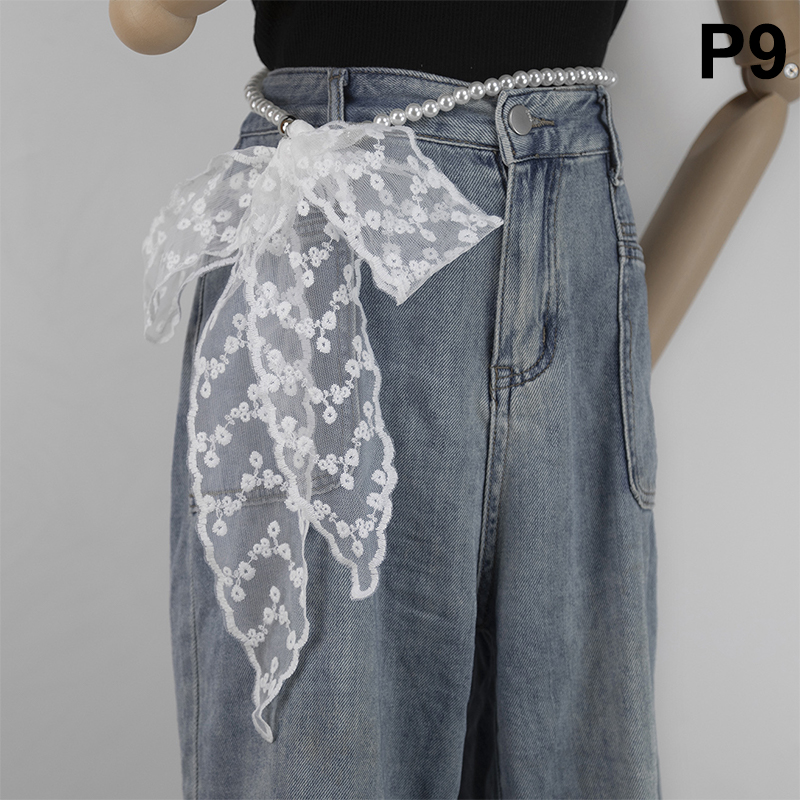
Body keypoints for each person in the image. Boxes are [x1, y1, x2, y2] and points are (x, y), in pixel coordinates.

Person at [110, 2, 799, 798]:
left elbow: (777, 66)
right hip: (337, 251)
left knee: (575, 762)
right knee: (322, 752)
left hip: (568, 248)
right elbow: (146, 17)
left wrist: (606, 358)